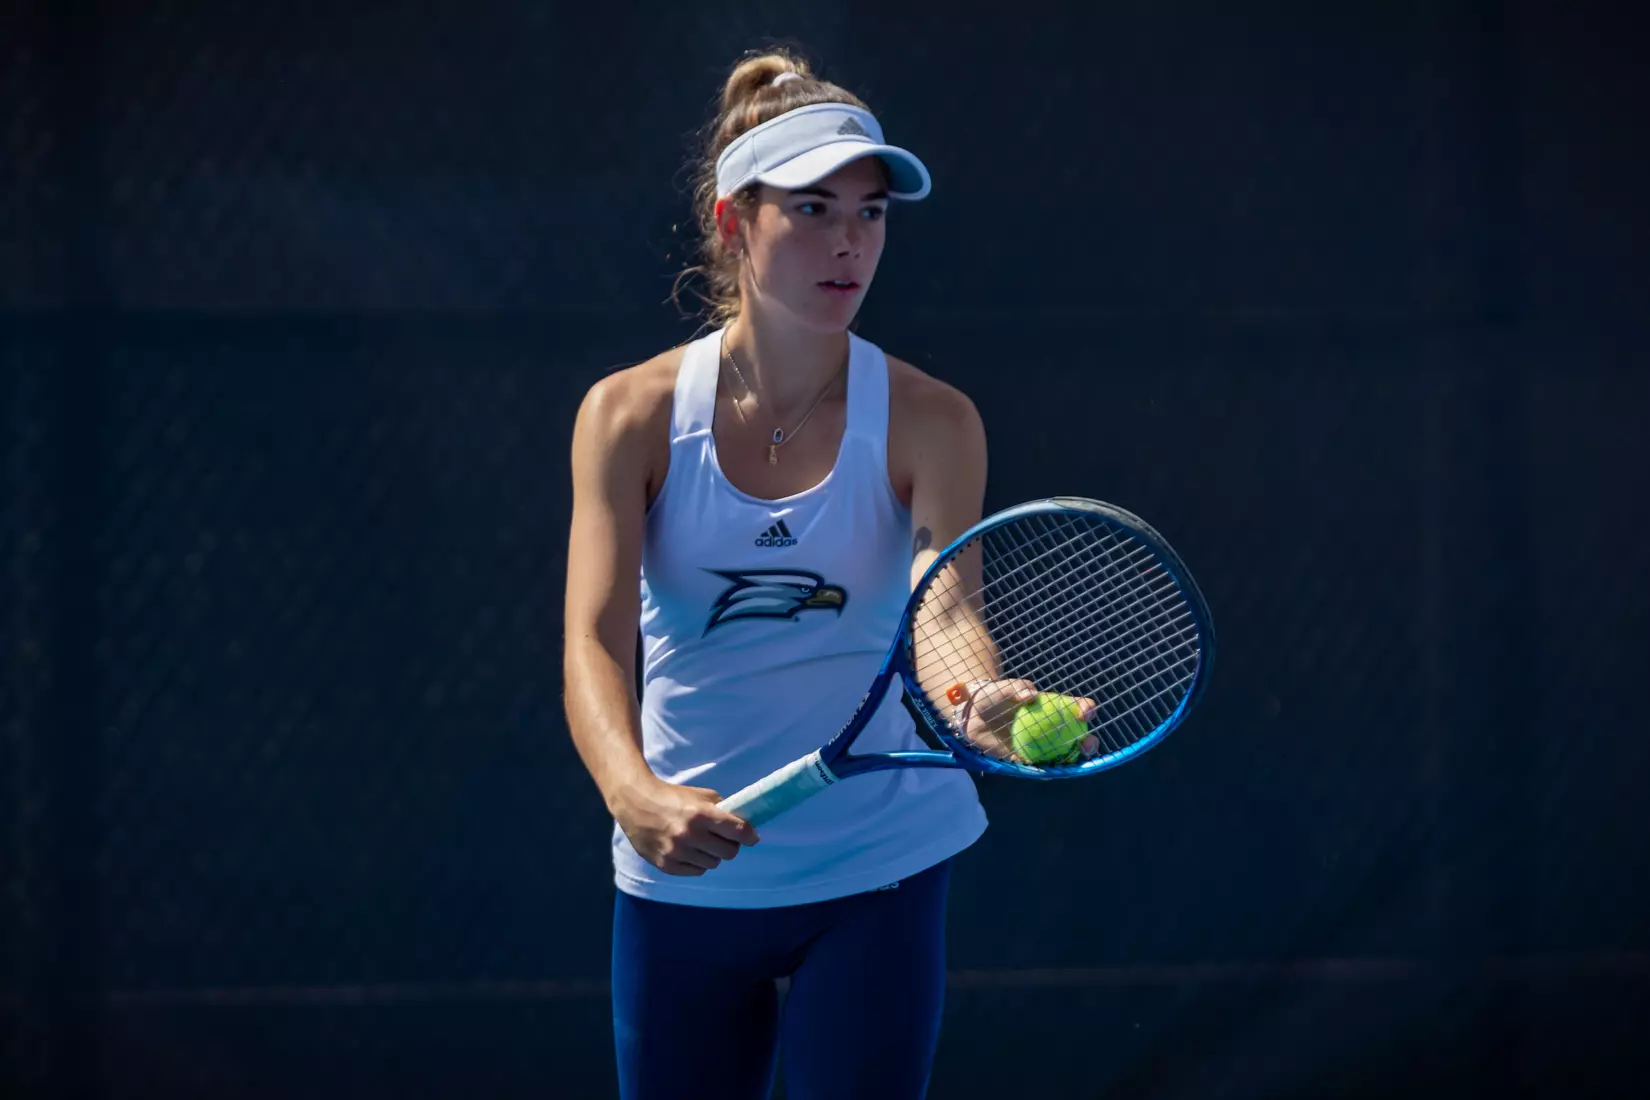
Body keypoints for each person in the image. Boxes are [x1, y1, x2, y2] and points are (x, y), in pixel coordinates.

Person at [562, 48, 1030, 1100]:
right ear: (735, 220)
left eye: (869, 213)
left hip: (879, 869)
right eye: (813, 208)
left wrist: (976, 697)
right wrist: (633, 792)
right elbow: (594, 640)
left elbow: (943, 608)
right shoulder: (627, 416)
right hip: (683, 879)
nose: (849, 242)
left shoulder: (933, 419)